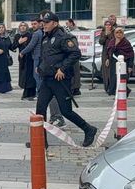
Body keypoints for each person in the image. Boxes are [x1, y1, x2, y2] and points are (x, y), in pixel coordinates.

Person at [35, 12, 97, 147]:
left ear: (55, 23)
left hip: (60, 81)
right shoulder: (45, 38)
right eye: (43, 22)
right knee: (40, 110)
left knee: (66, 111)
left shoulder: (63, 37)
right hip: (47, 80)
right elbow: (47, 56)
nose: (43, 24)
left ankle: (89, 129)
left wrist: (62, 68)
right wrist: (40, 67)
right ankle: (40, 141)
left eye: (47, 22)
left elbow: (75, 53)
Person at [104, 27, 134, 97]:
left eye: (120, 32)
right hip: (113, 62)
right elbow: (109, 51)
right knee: (114, 78)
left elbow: (131, 54)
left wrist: (130, 66)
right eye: (117, 32)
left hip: (123, 63)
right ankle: (116, 92)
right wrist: (107, 59)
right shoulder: (112, 41)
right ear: (114, 34)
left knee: (122, 78)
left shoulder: (126, 42)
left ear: (123, 34)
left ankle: (124, 91)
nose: (119, 34)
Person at [13, 22, 36, 101]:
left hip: (30, 57)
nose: (22, 27)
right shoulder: (17, 36)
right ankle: (27, 92)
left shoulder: (30, 35)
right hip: (22, 58)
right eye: (21, 26)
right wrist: (19, 42)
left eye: (24, 26)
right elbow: (13, 47)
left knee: (30, 76)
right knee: (23, 76)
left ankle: (29, 93)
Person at [97, 19, 116, 93]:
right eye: (106, 25)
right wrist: (105, 35)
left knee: (111, 71)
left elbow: (114, 42)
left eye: (109, 25)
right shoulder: (103, 32)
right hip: (105, 53)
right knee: (105, 71)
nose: (108, 26)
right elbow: (101, 42)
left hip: (112, 53)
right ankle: (107, 87)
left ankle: (112, 87)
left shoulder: (114, 32)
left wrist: (109, 34)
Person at [64, 18, 82, 95]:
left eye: (67, 23)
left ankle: (75, 89)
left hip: (73, 58)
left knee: (75, 74)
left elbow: (74, 49)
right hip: (71, 58)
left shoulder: (71, 36)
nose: (66, 25)